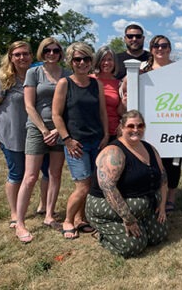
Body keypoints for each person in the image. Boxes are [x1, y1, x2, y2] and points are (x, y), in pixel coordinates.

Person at [0, 41, 49, 235]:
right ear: (11, 57)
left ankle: (43, 207)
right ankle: (14, 213)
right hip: (13, 136)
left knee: (45, 172)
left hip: (36, 134)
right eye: (17, 54)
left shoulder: (37, 76)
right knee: (17, 174)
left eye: (26, 54)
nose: (22, 58)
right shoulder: (3, 80)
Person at [86, 110, 168, 257]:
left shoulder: (149, 148)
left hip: (143, 206)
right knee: (133, 246)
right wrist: (128, 219)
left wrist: (162, 206)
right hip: (106, 206)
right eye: (131, 126)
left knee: (159, 236)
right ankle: (102, 232)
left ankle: (140, 223)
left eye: (140, 126)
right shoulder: (113, 152)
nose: (136, 130)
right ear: (122, 128)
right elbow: (108, 188)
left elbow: (162, 176)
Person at [53, 42, 109, 239]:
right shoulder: (64, 84)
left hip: (97, 141)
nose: (82, 62)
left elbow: (102, 112)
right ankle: (68, 220)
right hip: (76, 143)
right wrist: (67, 139)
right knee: (83, 186)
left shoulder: (96, 84)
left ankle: (81, 218)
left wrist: (106, 135)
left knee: (92, 183)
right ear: (71, 62)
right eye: (78, 59)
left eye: (86, 58)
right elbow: (56, 115)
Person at [15, 38, 69, 243]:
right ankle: (20, 223)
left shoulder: (66, 74)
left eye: (56, 50)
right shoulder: (33, 72)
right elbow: (29, 105)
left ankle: (49, 215)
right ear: (42, 52)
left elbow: (69, 105)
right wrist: (45, 130)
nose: (52, 53)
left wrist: (57, 130)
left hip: (59, 130)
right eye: (48, 50)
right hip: (37, 129)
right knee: (30, 177)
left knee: (54, 174)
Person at [146, 35, 182, 213]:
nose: (160, 49)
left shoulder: (178, 69)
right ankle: (154, 196)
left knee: (172, 164)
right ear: (151, 49)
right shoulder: (142, 70)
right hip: (149, 123)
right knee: (152, 161)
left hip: (173, 121)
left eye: (164, 45)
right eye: (156, 46)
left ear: (169, 48)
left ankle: (171, 198)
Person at [92, 46, 124, 142]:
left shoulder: (119, 83)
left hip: (114, 132)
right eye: (103, 60)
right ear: (98, 61)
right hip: (93, 131)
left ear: (114, 62)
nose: (106, 63)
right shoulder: (89, 80)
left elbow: (121, 111)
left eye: (110, 60)